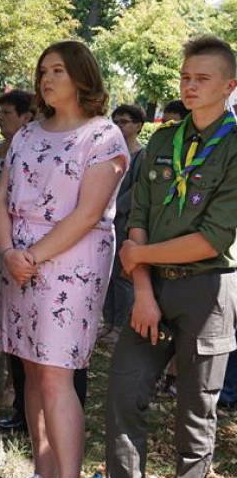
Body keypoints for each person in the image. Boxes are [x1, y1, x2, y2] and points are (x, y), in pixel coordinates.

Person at [109, 36, 237, 478]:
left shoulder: (234, 147)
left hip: (209, 291)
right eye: (185, 75)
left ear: (230, 87)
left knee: (196, 410)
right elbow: (136, 219)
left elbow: (213, 237)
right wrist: (142, 288)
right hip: (151, 290)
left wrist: (141, 258)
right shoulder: (163, 141)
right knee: (124, 393)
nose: (189, 84)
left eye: (202, 78)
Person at [0, 41, 127, 478]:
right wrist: (9, 253)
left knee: (55, 374)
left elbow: (89, 213)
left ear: (82, 77)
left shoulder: (104, 136)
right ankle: (44, 477)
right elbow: (1, 195)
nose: (48, 79)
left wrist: (31, 256)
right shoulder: (26, 133)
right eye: (43, 70)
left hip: (69, 262)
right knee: (29, 369)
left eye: (59, 71)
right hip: (19, 261)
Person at [101, 104, 147, 342]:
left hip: (126, 223)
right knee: (107, 272)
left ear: (138, 126)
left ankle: (120, 326)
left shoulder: (143, 155)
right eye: (115, 120)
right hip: (103, 221)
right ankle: (108, 322)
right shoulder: (109, 151)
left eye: (124, 121)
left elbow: (139, 190)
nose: (118, 125)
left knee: (122, 275)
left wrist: (114, 206)